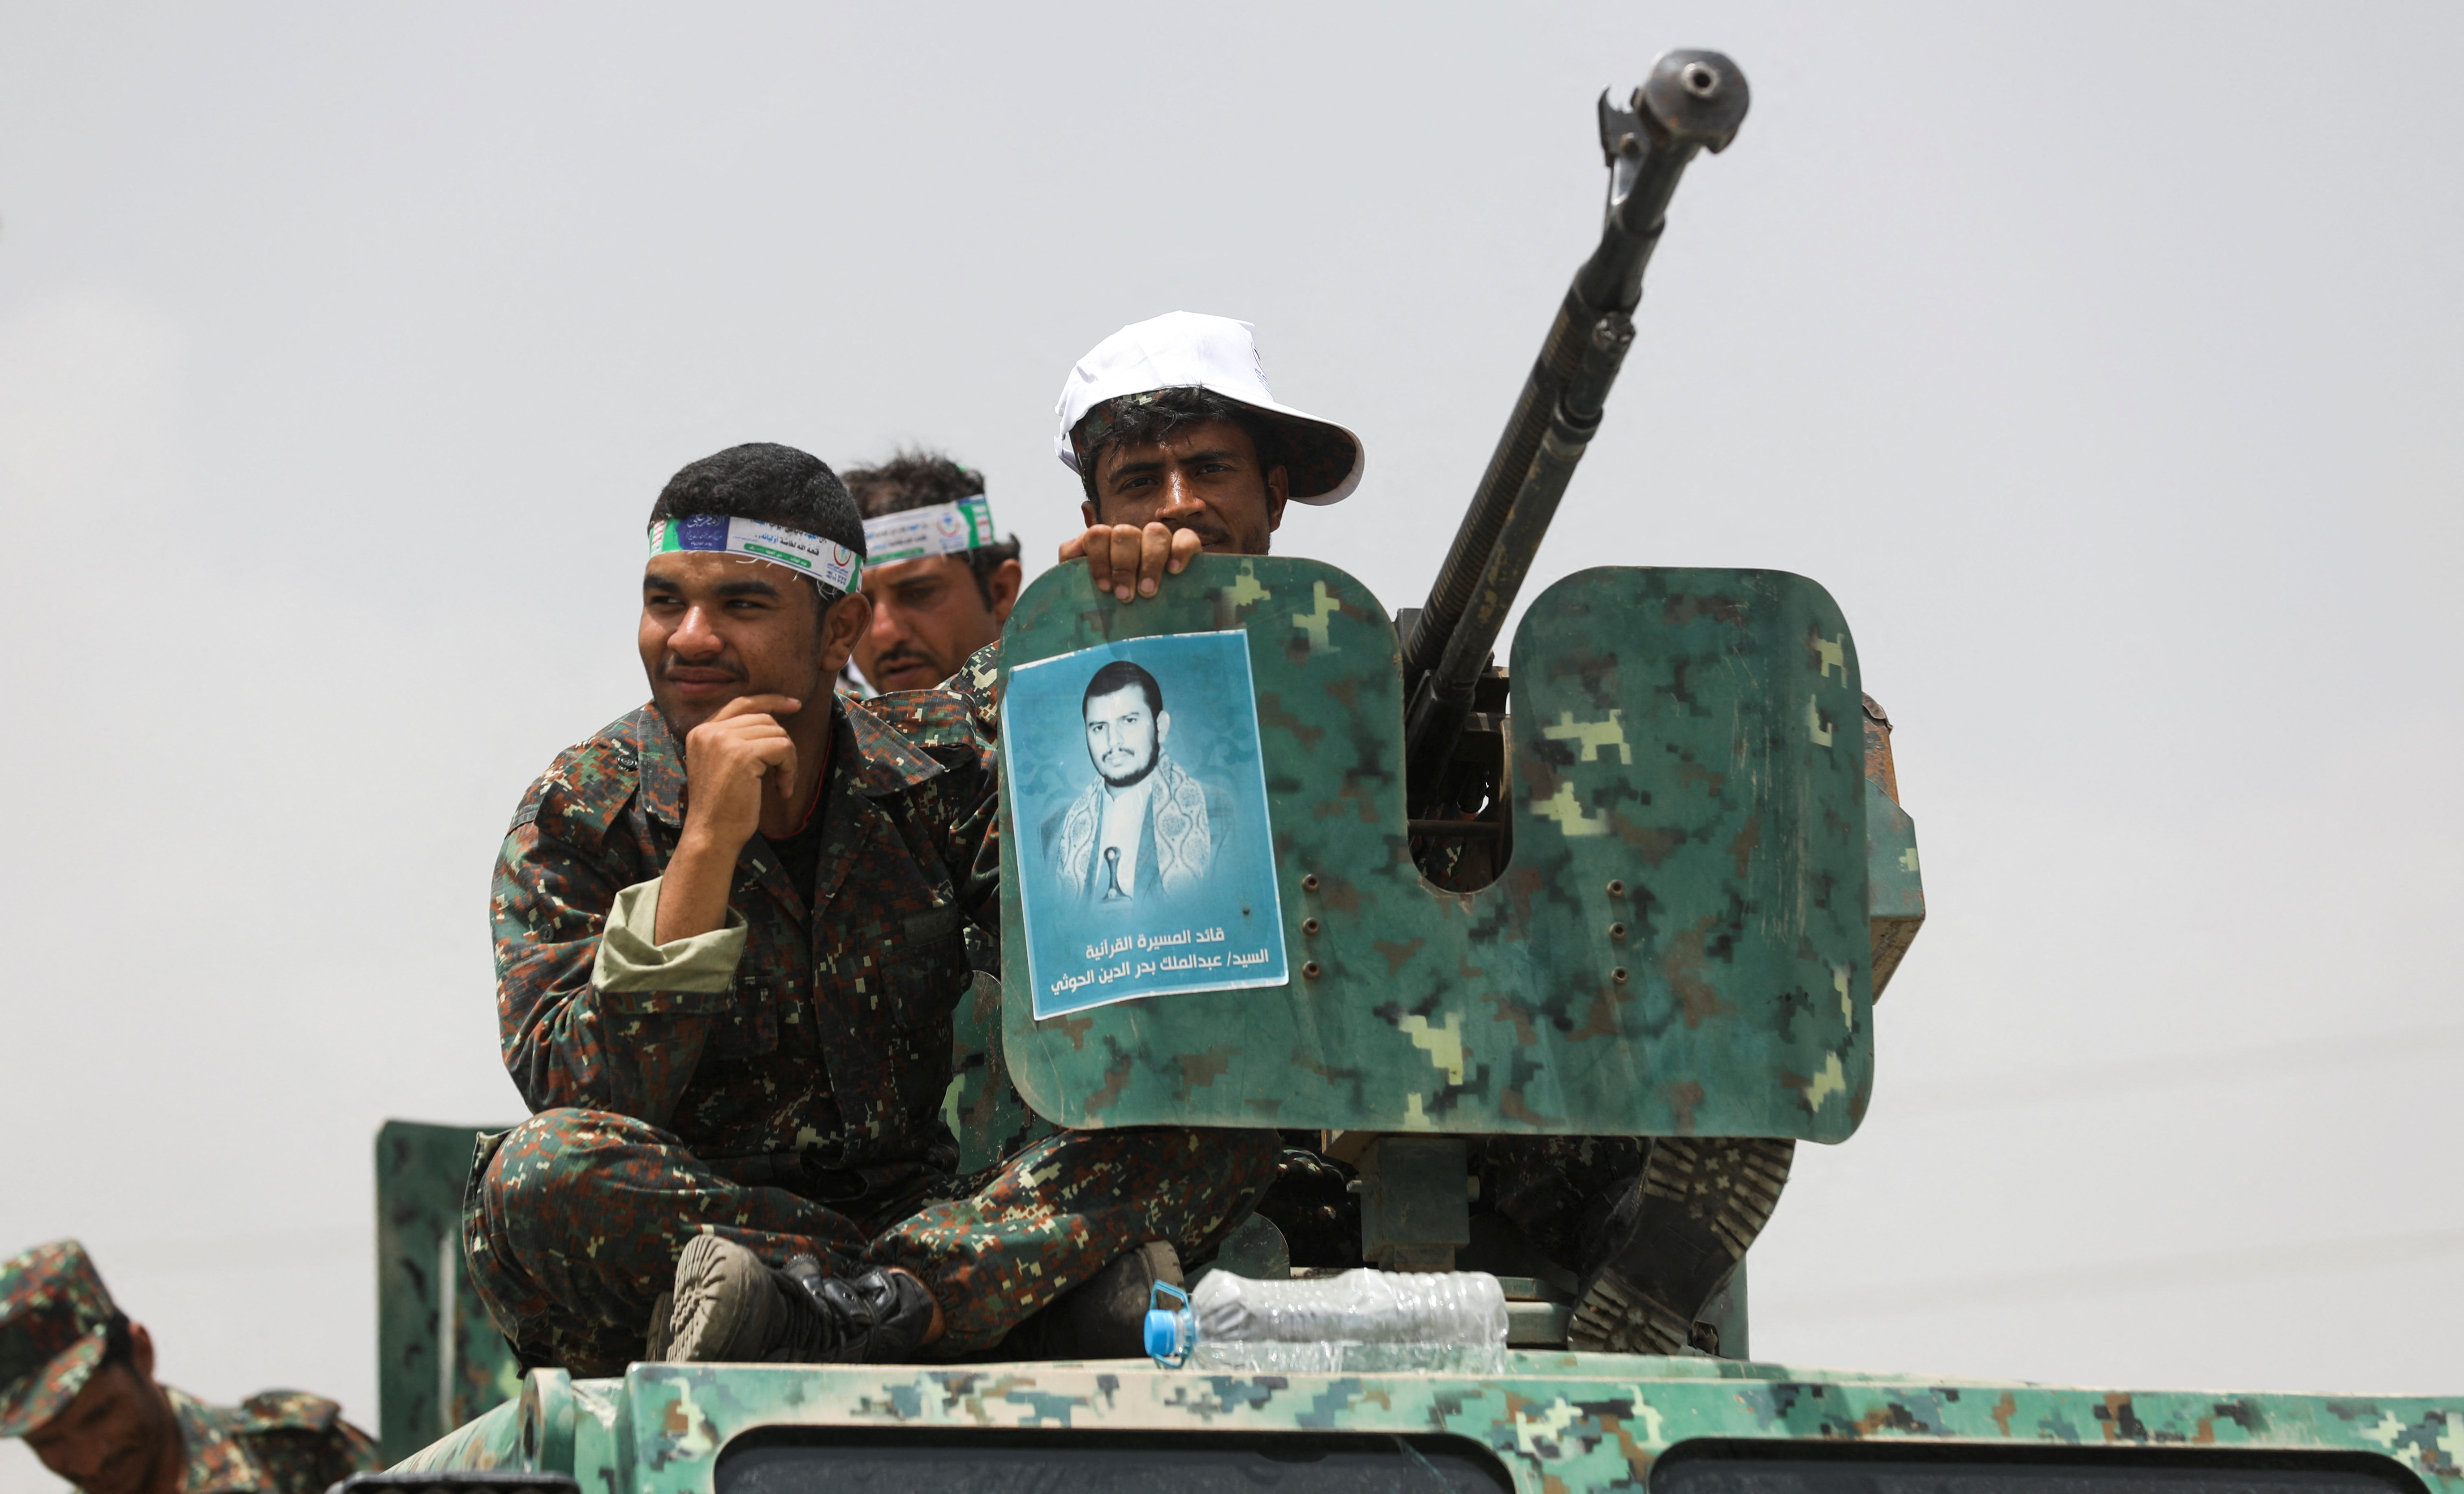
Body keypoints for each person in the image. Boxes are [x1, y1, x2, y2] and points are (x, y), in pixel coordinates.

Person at [965, 310, 1797, 1358]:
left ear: (1272, 491)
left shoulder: (1356, 685)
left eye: (1210, 468)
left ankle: (1637, 1250)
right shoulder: (1046, 691)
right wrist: (1124, 640)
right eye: (1142, 479)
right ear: (1092, 511)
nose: (1180, 505)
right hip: (1173, 1126)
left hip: (1420, 1104)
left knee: (1616, 1069)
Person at [464, 441, 1276, 1375]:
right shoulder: (581, 809)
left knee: (1215, 1123)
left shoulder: (937, 770)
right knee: (534, 1175)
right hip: (692, 1239)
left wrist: (1124, 623)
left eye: (741, 604)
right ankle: (956, 1307)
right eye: (664, 601)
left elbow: (1126, 980)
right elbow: (588, 1095)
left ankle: (869, 1305)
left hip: (927, 1215)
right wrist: (704, 849)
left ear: (836, 631)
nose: (688, 637)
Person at [2, 1241, 378, 1494]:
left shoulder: (296, 1456)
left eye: (99, 1415)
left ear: (141, 1352)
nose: (90, 1460)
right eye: (49, 1442)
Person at [1042, 660, 1229, 904]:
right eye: (1099, 727)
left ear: (1160, 727)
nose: (1113, 742)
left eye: (1129, 721)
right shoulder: (1055, 833)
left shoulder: (1217, 813)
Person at [841, 451, 1023, 696]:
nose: (884, 634)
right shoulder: (807, 732)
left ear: (1000, 592)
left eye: (919, 594)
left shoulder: (1077, 716)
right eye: (861, 608)